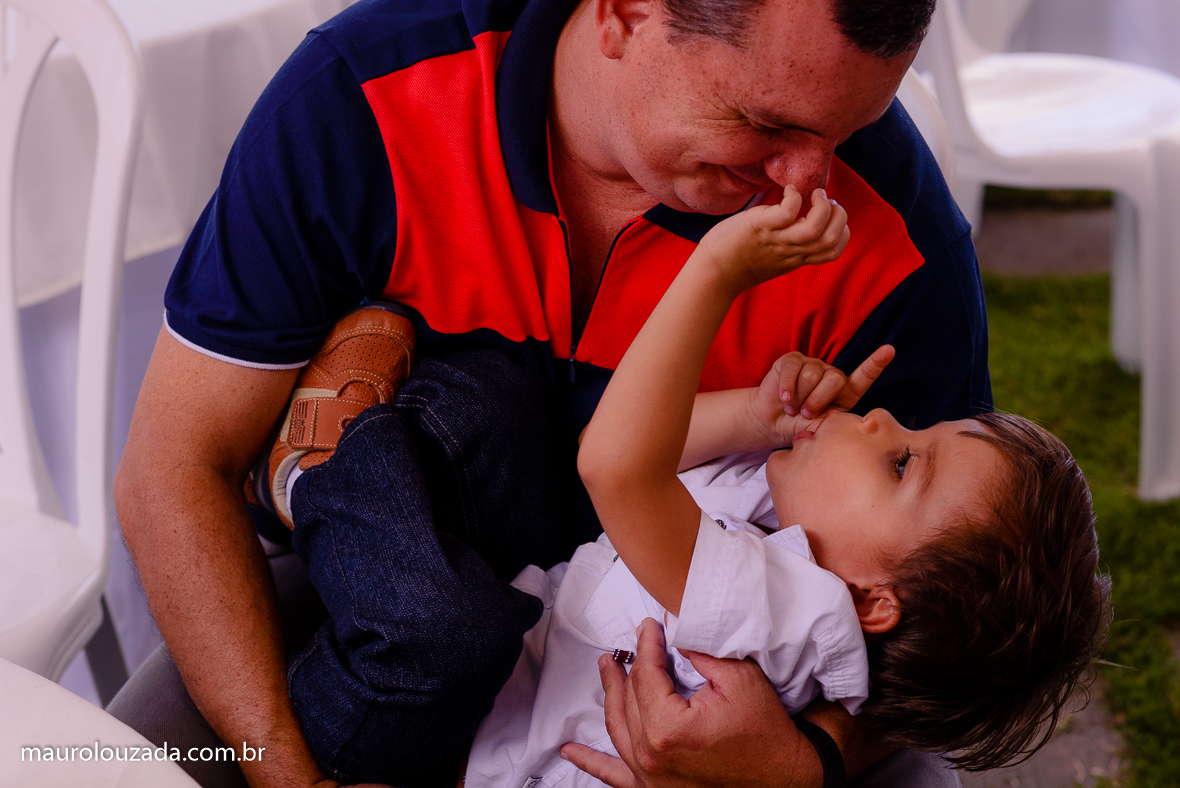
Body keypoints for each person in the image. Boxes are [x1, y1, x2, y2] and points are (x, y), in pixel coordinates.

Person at [111, 0, 991, 786]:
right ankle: (340, 476)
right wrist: (285, 775)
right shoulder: (365, 99)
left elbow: (967, 627)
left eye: (843, 133)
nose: (809, 185)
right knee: (109, 763)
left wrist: (803, 763)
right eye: (766, 124)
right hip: (375, 584)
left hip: (721, 686)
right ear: (622, 14)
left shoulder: (896, 236)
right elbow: (175, 468)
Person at [272, 187, 1108, 787]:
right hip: (485, 696)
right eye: (913, 434)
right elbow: (659, 456)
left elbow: (615, 462)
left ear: (875, 602)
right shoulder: (792, 538)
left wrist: (715, 274)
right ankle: (364, 470)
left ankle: (321, 478)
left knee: (442, 627)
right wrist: (760, 415)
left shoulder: (783, 617)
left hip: (428, 736)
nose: (886, 420)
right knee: (501, 404)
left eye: (902, 463)